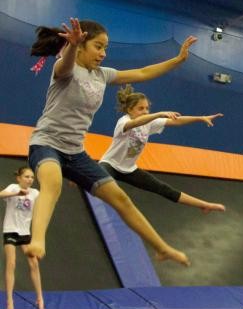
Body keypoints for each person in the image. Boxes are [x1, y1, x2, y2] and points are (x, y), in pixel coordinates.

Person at [26, 18, 190, 266]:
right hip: (47, 143)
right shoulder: (65, 67)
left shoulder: (102, 75)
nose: (103, 54)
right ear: (81, 44)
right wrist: (71, 46)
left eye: (105, 48)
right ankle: (37, 240)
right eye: (98, 47)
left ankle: (162, 248)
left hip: (76, 152)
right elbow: (65, 65)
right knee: (53, 181)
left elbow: (143, 73)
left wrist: (177, 61)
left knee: (121, 198)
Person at [100, 85, 225, 212]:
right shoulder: (123, 121)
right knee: (98, 181)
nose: (145, 111)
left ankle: (204, 205)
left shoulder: (149, 122)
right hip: (110, 164)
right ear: (129, 110)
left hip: (129, 169)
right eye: (140, 108)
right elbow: (135, 123)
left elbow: (176, 121)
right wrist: (158, 114)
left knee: (163, 188)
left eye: (147, 108)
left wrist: (200, 118)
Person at [1, 167, 43, 309]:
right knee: (11, 263)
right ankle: (10, 302)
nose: (30, 180)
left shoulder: (35, 193)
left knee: (34, 263)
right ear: (19, 178)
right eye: (26, 177)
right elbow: (1, 194)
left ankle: (40, 298)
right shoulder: (13, 187)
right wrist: (16, 194)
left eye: (32, 177)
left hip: (25, 233)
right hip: (11, 230)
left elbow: (44, 207)